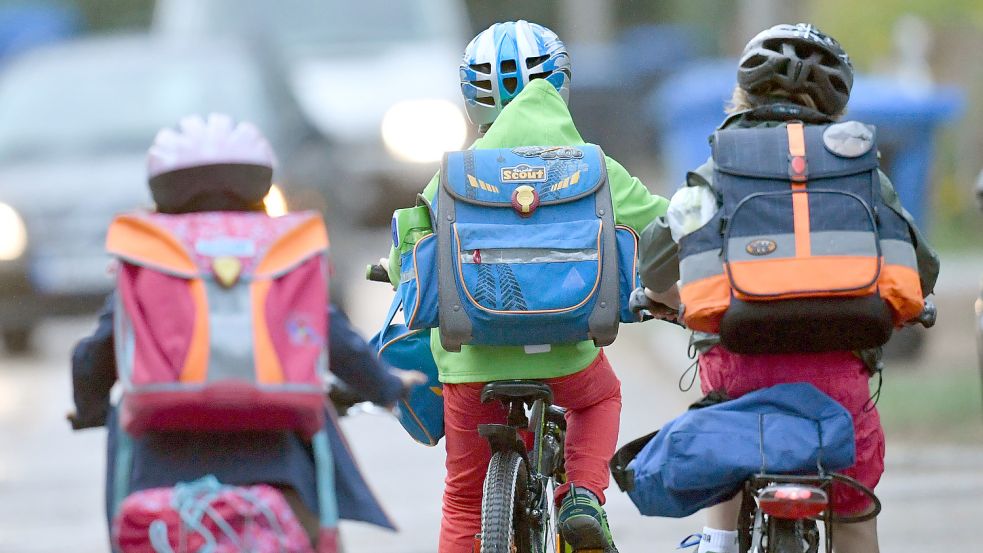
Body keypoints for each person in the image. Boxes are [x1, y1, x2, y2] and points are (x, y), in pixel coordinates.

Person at [637, 24, 940, 553]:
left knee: (726, 426)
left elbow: (659, 257)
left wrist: (661, 297)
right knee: (854, 507)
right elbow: (921, 263)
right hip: (838, 382)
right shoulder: (861, 170)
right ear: (836, 102)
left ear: (744, 93)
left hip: (741, 368)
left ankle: (720, 539)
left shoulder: (720, 165)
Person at [70, 113, 425, 551]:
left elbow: (94, 354)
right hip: (280, 472)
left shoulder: (150, 254)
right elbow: (331, 336)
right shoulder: (281, 247)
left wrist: (88, 409)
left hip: (159, 474)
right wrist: (386, 386)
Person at [385, 20, 669, 553]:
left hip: (471, 367)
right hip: (566, 360)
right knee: (601, 396)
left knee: (465, 502)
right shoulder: (592, 168)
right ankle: (582, 496)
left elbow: (412, 252)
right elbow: (663, 227)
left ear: (475, 99)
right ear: (560, 84)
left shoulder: (452, 175)